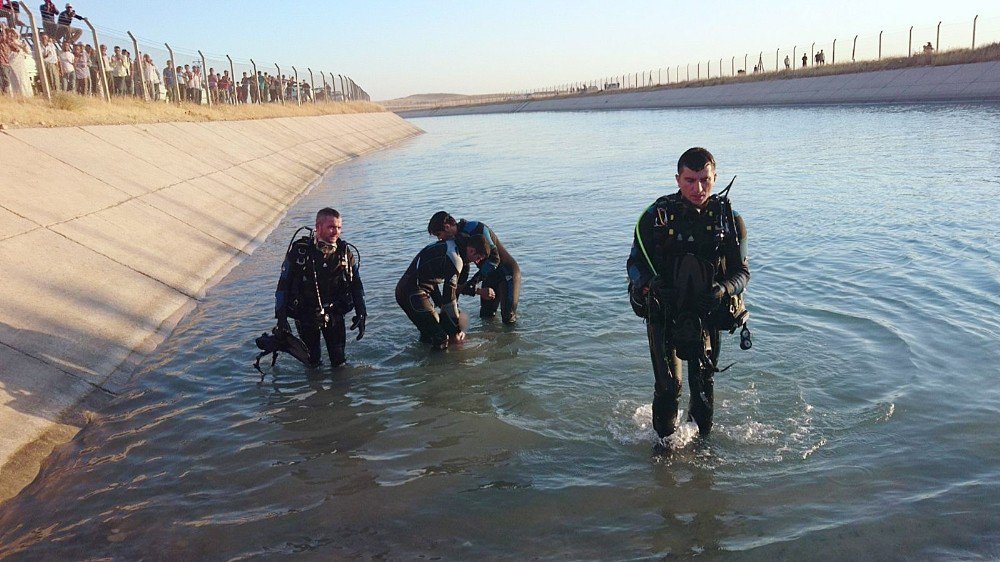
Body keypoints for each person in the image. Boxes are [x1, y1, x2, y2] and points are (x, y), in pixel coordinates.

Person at [627, 147, 750, 441]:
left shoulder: (730, 221)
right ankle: (664, 448)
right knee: (669, 387)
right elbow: (633, 264)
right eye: (689, 180)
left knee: (703, 383)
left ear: (715, 177)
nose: (698, 188)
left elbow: (742, 274)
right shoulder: (655, 217)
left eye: (705, 180)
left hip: (707, 313)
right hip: (664, 310)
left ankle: (701, 452)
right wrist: (651, 285)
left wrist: (723, 288)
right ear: (677, 179)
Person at [274, 208, 366, 368]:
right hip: (305, 315)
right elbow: (283, 286)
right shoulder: (300, 252)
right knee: (312, 362)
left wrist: (362, 312)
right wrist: (281, 319)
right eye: (331, 227)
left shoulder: (344, 252)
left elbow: (356, 284)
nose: (336, 232)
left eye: (339, 227)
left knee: (339, 362)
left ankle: (339, 391)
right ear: (318, 226)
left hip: (334, 313)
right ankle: (315, 388)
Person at [395, 233, 490, 350]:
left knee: (430, 333)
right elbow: (449, 298)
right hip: (412, 293)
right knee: (441, 337)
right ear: (471, 251)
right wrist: (456, 329)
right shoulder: (455, 259)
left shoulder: (451, 245)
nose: (478, 262)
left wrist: (447, 316)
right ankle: (441, 366)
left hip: (409, 290)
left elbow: (433, 282)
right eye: (479, 258)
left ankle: (423, 361)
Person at [428, 211, 521, 324]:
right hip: (488, 275)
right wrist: (452, 304)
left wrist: (473, 282)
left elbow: (494, 259)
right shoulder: (457, 241)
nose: (439, 239)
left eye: (439, 234)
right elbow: (463, 269)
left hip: (507, 272)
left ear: (447, 227)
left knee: (508, 318)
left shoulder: (475, 228)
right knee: (486, 317)